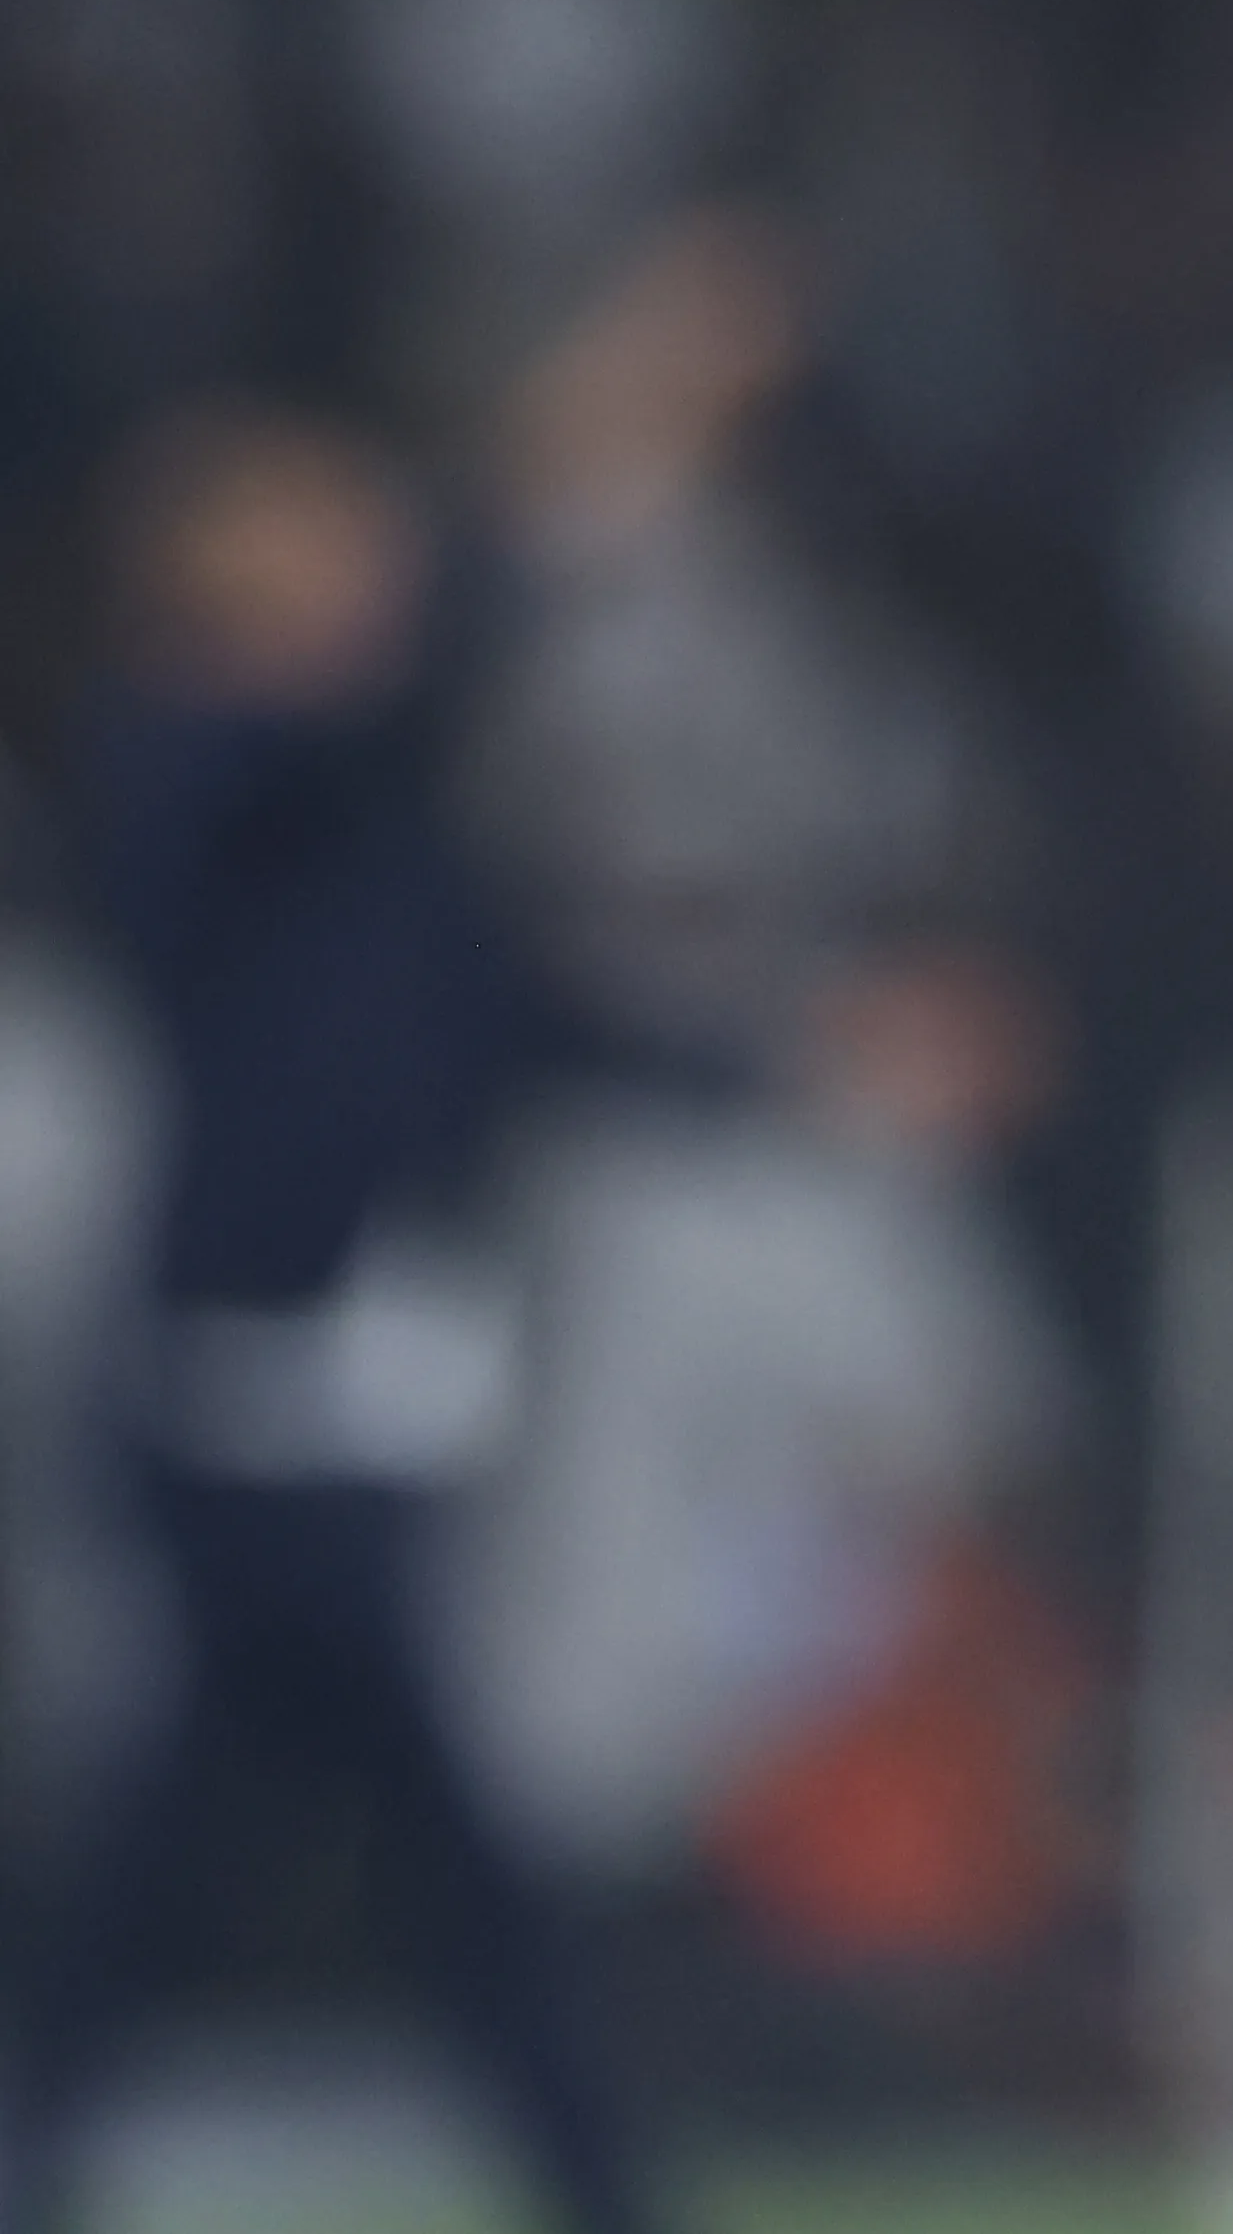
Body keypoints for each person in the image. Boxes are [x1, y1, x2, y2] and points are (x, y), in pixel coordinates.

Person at [3, 412, 665, 2234]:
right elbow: (399, 687)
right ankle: (596, 2181)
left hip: (371, 1407)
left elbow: (527, 1024)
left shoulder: (386, 832)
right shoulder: (182, 767)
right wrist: (550, 506)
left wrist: (796, 1065)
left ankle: (47, 2143)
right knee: (427, 1846)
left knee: (188, 1841)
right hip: (242, 1415)